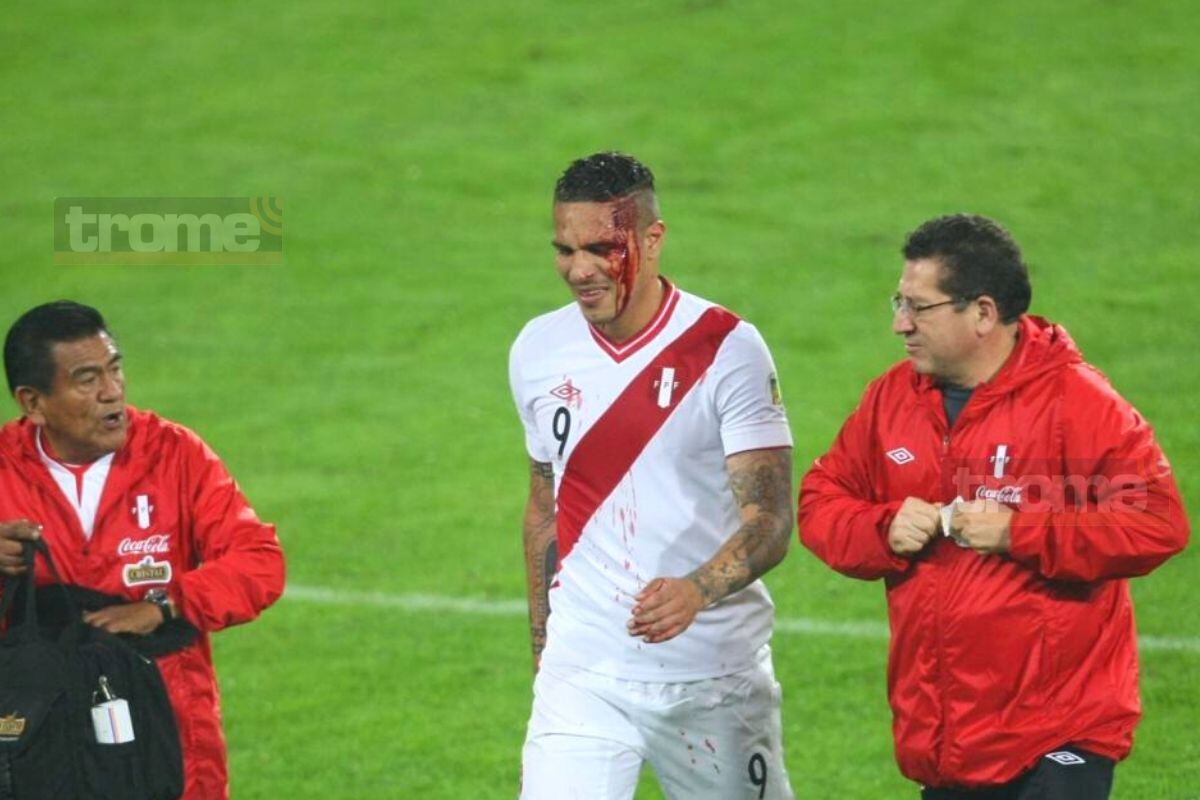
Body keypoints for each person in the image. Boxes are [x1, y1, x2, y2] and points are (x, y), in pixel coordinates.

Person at [798, 214, 1190, 798]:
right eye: (897, 302)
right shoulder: (892, 400)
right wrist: (881, 526)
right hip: (948, 738)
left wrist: (1022, 529)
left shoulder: (1076, 403)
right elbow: (821, 500)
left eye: (918, 307)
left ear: (982, 312)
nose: (899, 324)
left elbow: (1155, 520)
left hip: (1059, 736)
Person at [509, 152, 796, 799]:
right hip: (584, 674)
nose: (579, 270)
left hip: (712, 677)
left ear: (652, 238)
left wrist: (698, 589)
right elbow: (545, 509)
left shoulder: (727, 349)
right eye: (564, 250)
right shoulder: (537, 349)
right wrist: (545, 650)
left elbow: (771, 520)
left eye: (601, 248)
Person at [0, 301, 286, 800]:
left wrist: (166, 605)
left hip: (170, 731)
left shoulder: (176, 455)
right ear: (33, 402)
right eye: (87, 379)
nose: (112, 391)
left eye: (114, 368)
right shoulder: (4, 469)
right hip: (41, 741)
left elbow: (259, 561)